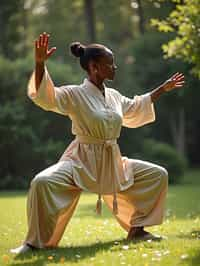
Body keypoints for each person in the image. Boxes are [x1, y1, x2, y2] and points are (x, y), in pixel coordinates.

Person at [10, 32, 184, 254]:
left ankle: (137, 230)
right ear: (94, 67)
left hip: (112, 161)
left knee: (157, 174)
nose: (115, 67)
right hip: (80, 161)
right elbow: (47, 97)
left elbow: (135, 107)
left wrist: (163, 88)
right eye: (110, 64)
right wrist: (39, 64)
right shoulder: (75, 94)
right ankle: (33, 243)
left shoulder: (113, 96)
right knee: (41, 182)